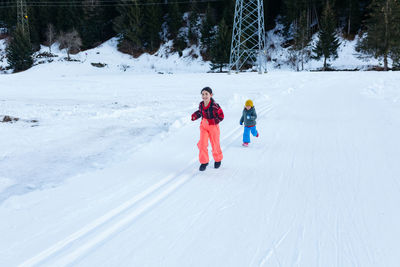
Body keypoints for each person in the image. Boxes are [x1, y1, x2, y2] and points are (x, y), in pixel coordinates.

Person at [191, 87, 224, 171]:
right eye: (203, 94)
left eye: (206, 94)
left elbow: (221, 116)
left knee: (215, 144)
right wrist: (195, 115)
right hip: (204, 126)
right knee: (202, 144)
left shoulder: (215, 106)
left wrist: (210, 121)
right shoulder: (201, 104)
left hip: (213, 126)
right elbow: (200, 112)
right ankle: (204, 161)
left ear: (211, 95)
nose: (204, 96)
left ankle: (217, 159)